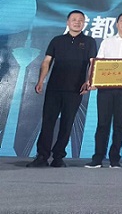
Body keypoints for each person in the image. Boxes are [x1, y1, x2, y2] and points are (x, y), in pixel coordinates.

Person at [27, 10, 97, 168]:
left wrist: (89, 81)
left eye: (80, 20)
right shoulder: (57, 40)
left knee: (67, 123)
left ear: (84, 23)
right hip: (54, 88)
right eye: (74, 19)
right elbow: (47, 61)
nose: (77, 22)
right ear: (68, 22)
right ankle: (42, 156)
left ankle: (58, 156)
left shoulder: (89, 42)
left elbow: (93, 63)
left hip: (75, 89)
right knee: (48, 122)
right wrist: (41, 80)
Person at [85, 12, 122, 169]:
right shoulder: (107, 41)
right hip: (106, 88)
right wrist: (93, 81)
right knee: (102, 123)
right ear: (116, 24)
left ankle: (114, 159)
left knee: (119, 124)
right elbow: (99, 63)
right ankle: (98, 158)